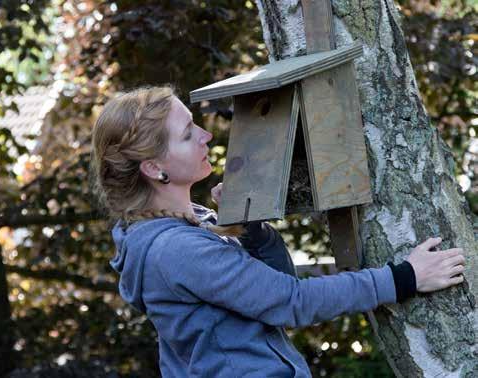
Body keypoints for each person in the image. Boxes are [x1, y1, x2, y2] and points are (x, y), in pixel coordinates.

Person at [90, 85, 466, 378]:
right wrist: (403, 279)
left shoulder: (188, 221)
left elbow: (272, 289)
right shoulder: (175, 249)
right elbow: (291, 302)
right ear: (155, 168)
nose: (206, 135)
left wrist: (251, 228)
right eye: (188, 134)